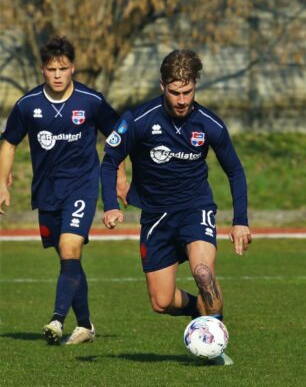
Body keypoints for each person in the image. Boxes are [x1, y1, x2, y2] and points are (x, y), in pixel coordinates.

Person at [100, 49, 251, 366]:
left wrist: (241, 221)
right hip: (155, 218)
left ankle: (215, 347)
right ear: (162, 86)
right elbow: (110, 159)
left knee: (203, 273)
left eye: (187, 91)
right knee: (161, 301)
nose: (182, 99)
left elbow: (235, 171)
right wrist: (111, 205)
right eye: (174, 92)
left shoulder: (209, 124)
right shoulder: (138, 120)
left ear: (195, 85)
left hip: (195, 209)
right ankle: (202, 309)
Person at [0, 36, 126, 345]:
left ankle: (57, 320)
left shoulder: (90, 100)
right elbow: (9, 142)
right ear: (42, 70)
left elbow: (119, 135)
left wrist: (120, 176)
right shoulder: (28, 104)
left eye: (64, 68)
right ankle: (85, 326)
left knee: (71, 248)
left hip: (82, 186)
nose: (58, 75)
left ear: (73, 68)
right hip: (47, 191)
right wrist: (2, 182)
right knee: (68, 261)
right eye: (51, 69)